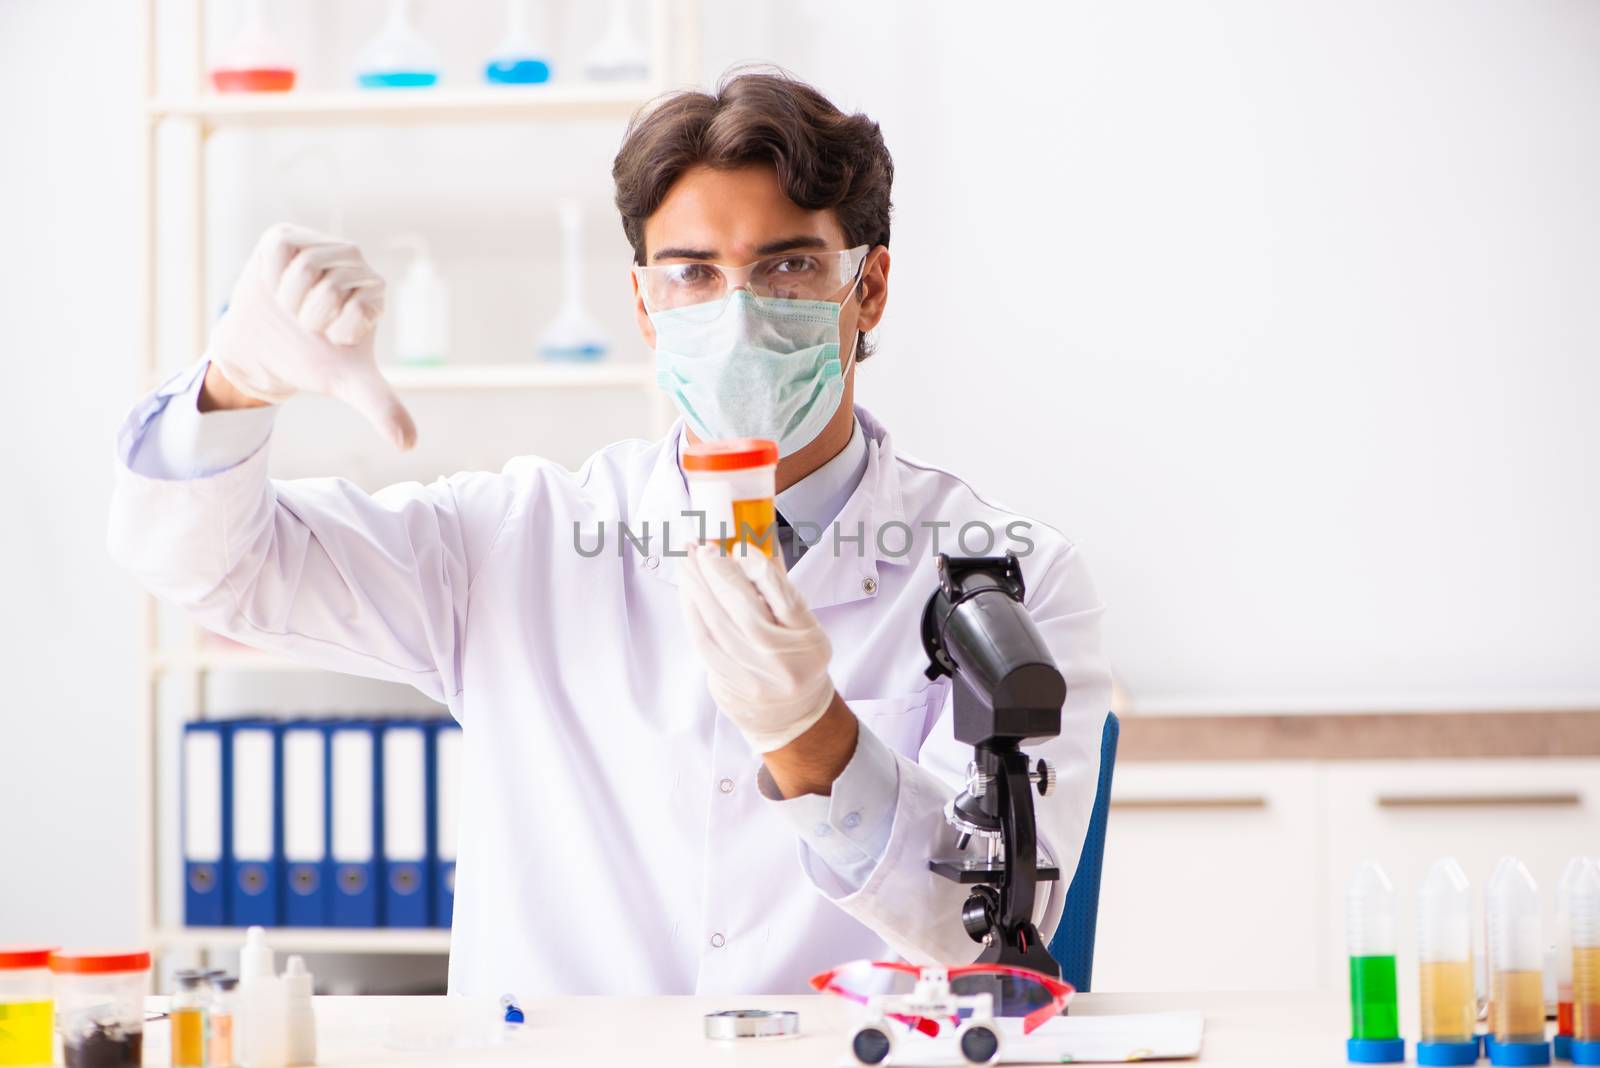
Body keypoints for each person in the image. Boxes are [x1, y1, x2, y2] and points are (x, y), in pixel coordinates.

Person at [108, 70, 1113, 997]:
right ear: (642, 301)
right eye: (690, 275)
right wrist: (234, 388)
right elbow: (212, 571)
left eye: (789, 266)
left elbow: (996, 938)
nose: (738, 315)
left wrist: (818, 741)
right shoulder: (517, 541)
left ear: (870, 287)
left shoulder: (1012, 578)